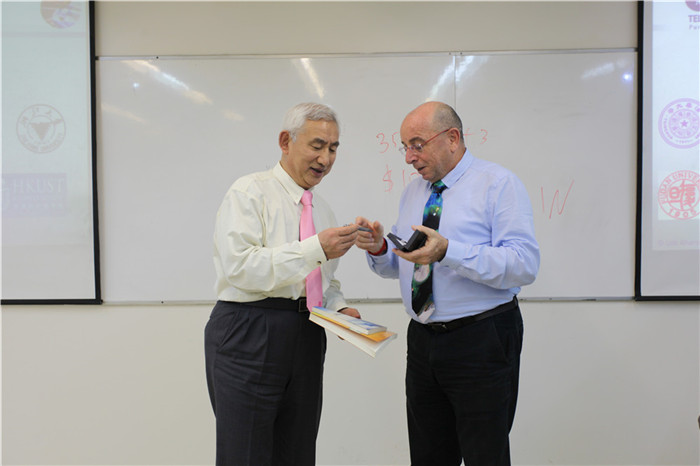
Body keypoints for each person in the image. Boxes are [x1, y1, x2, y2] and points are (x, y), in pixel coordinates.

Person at [356, 101, 540, 466]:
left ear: (452, 138)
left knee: (484, 455)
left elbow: (523, 265)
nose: (409, 157)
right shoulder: (414, 192)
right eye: (405, 147)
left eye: (417, 144)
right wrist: (379, 248)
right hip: (423, 341)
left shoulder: (498, 184)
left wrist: (448, 252)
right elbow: (406, 266)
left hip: (481, 339)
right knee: (428, 455)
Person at [205, 102, 361, 466]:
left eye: (333, 148)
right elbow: (240, 267)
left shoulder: (322, 209)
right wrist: (315, 249)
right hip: (249, 329)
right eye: (317, 145)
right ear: (285, 142)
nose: (325, 159)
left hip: (307, 333)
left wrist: (339, 309)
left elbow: (322, 281)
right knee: (245, 454)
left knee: (297, 452)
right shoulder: (249, 192)